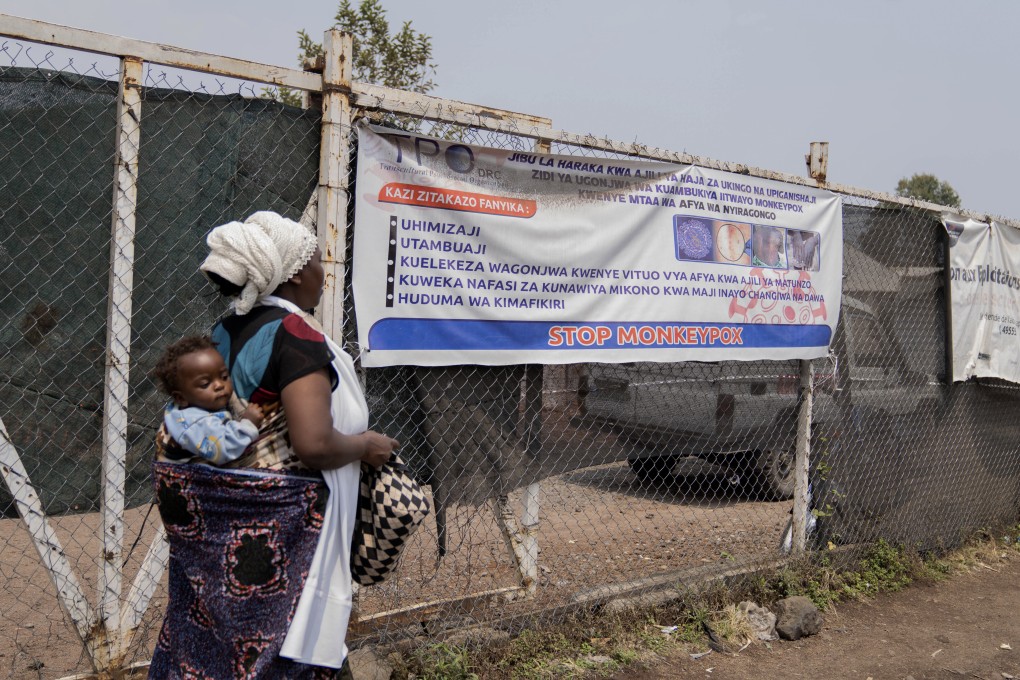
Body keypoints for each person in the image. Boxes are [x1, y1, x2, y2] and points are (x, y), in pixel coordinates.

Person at [149, 211, 399, 679]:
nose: (324, 274)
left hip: (227, 531)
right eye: (318, 262)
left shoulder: (224, 332)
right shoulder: (296, 335)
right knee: (292, 650)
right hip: (286, 530)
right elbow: (315, 444)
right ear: (299, 272)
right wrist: (366, 444)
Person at [153, 335, 264, 465]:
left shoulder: (193, 407)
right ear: (181, 398)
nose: (219, 385)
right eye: (205, 384)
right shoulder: (194, 422)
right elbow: (225, 449)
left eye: (223, 376)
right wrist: (248, 423)